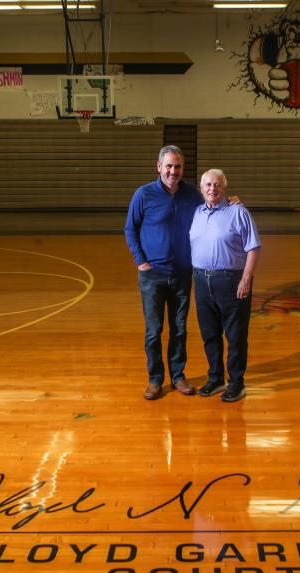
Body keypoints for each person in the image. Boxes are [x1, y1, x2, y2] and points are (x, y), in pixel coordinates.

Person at [124, 145, 201, 400]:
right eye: (168, 166)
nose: (173, 171)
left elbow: (211, 210)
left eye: (177, 166)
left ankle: (178, 376)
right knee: (154, 330)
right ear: (158, 167)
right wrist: (141, 262)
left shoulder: (192, 194)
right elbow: (130, 229)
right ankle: (155, 379)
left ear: (182, 169)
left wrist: (228, 203)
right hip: (152, 275)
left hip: (181, 274)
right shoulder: (144, 195)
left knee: (179, 328)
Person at [190, 169, 261, 403]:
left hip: (231, 281)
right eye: (208, 185)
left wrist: (246, 279)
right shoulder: (197, 213)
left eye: (217, 185)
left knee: (236, 335)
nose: (213, 188)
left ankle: (237, 382)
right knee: (210, 334)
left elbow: (253, 247)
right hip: (201, 280)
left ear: (225, 188)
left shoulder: (237, 211)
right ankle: (216, 378)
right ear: (201, 189)